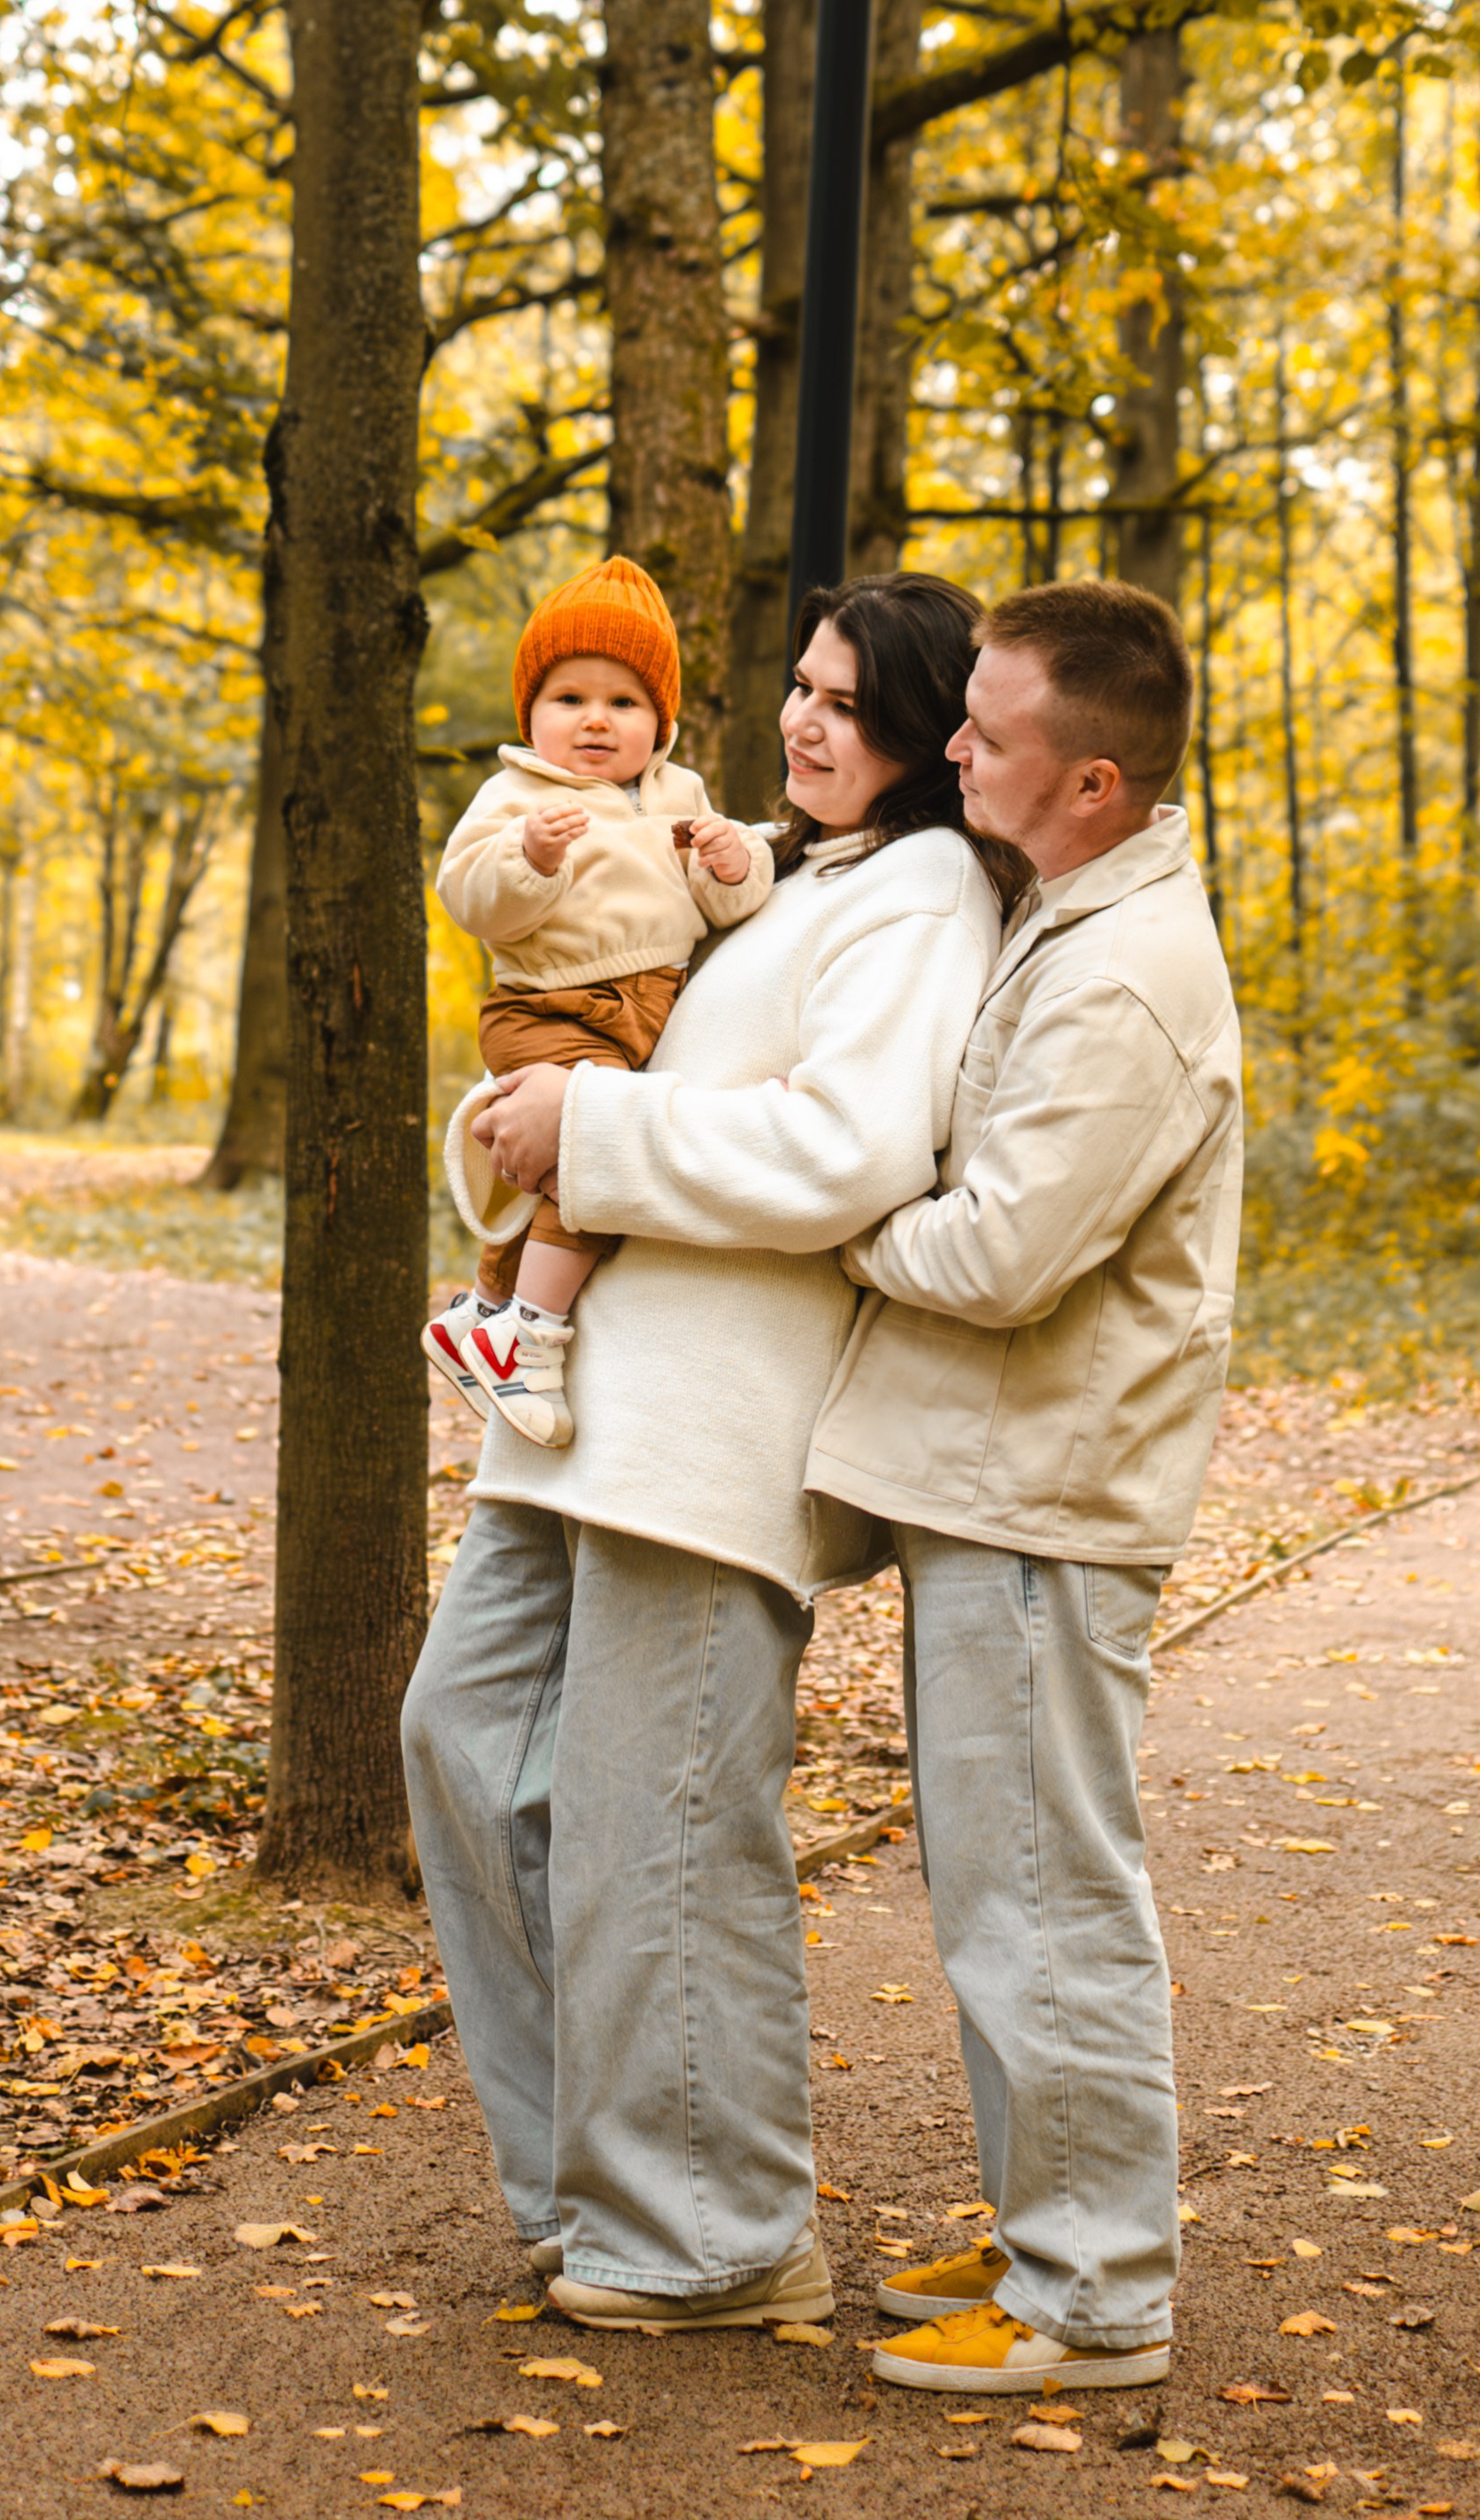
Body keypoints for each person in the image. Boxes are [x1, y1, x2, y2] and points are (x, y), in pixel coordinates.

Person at [401, 575, 1023, 2331]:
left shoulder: (914, 894)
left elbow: (846, 1147)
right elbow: (597, 1009)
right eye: (801, 689)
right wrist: (525, 1119)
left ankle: (714, 2226)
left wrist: (585, 1125)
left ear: (926, 732)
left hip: (714, 1423)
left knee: (653, 1817)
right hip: (585, 1406)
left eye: (851, 702)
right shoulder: (772, 864)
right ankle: (591, 2183)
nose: (808, 723)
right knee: (460, 1736)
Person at [801, 578, 1243, 2399]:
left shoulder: (1129, 976)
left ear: (1097, 782)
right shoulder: (1066, 906)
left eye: (988, 732)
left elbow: (996, 1250)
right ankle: (1041, 2221)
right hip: (994, 1483)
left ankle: (1092, 2291)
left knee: (1047, 1892)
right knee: (1004, 1884)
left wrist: (827, 1204)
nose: (953, 746)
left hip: (1042, 1492)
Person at [421, 554, 774, 1448]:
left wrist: (733, 866)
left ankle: (484, 1308)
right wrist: (529, 859)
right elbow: (469, 897)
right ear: (530, 713)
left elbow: (723, 904)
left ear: (660, 719)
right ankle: (530, 1336)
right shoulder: (515, 794)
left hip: (649, 1004)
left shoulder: (679, 793)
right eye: (569, 698)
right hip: (548, 1005)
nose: (595, 720)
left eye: (623, 702)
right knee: (587, 1165)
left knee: (557, 1166)